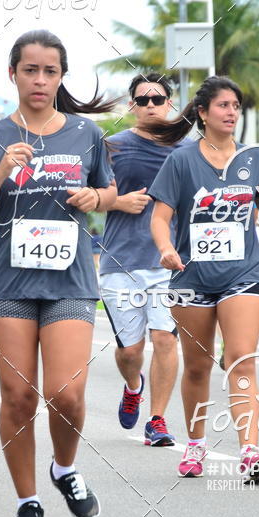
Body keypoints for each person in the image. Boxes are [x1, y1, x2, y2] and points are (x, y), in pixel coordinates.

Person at [0, 29, 117, 517]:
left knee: (66, 394)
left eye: (50, 71)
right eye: (30, 70)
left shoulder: (86, 135)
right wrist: (0, 170)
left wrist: (97, 200)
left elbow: (109, 190)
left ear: (61, 76)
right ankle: (27, 501)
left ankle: (64, 468)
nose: (40, 80)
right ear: (13, 74)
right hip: (8, 283)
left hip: (70, 279)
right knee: (19, 396)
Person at [149, 76, 259, 482]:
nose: (232, 112)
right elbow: (160, 217)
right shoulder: (181, 161)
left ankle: (250, 449)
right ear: (202, 112)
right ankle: (195, 443)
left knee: (240, 358)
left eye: (236, 106)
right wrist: (166, 248)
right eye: (223, 105)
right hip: (190, 277)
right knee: (197, 367)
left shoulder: (255, 159)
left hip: (243, 274)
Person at [100, 72, 183, 447]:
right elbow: (81, 192)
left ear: (170, 103)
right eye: (143, 100)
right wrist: (117, 201)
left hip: (170, 264)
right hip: (121, 261)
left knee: (165, 338)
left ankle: (158, 420)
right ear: (132, 105)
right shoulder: (112, 147)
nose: (151, 105)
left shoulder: (187, 150)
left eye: (158, 98)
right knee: (130, 350)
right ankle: (133, 386)